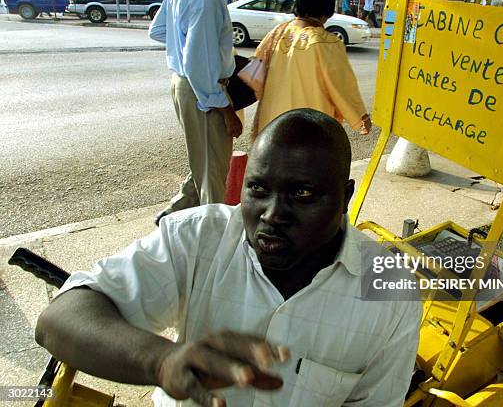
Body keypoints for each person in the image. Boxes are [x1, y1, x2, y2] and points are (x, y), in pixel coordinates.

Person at [35, 109, 422, 407]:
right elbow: (59, 319)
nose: (271, 214)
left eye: (301, 194)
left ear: (345, 195)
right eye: (257, 188)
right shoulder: (198, 238)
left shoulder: (392, 294)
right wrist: (162, 362)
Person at [148, 0, 243, 226]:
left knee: (205, 159)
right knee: (212, 173)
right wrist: (225, 109)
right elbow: (198, 63)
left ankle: (174, 213)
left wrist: (183, 44)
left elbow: (159, 30)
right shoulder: (206, 2)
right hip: (203, 90)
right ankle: (211, 235)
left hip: (186, 85)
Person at [253, 0, 372, 136]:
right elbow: (342, 86)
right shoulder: (325, 42)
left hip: (270, 130)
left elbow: (255, 77)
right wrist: (361, 118)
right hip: (309, 131)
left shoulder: (276, 34)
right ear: (326, 12)